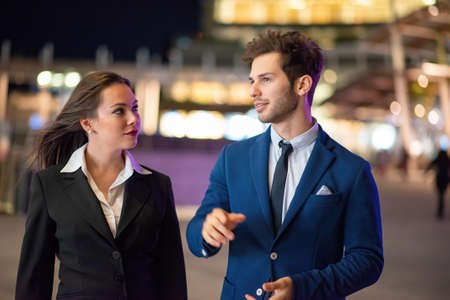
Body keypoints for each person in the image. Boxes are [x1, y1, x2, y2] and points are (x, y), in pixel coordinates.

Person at [186, 31, 383, 300]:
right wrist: (207, 230)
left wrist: (303, 288)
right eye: (252, 81)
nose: (253, 91)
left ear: (302, 85)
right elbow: (196, 232)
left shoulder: (352, 170)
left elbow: (367, 260)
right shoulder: (233, 159)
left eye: (265, 80)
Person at [15, 71, 187, 300]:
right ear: (88, 122)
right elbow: (34, 278)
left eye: (134, 107)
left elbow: (171, 275)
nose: (133, 118)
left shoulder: (158, 185)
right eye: (119, 111)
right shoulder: (50, 184)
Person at [427, 149, 450, 219]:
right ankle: (440, 210)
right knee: (442, 195)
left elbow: (430, 165)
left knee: (441, 196)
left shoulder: (438, 159)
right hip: (445, 179)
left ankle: (440, 211)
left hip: (439, 179)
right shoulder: (447, 159)